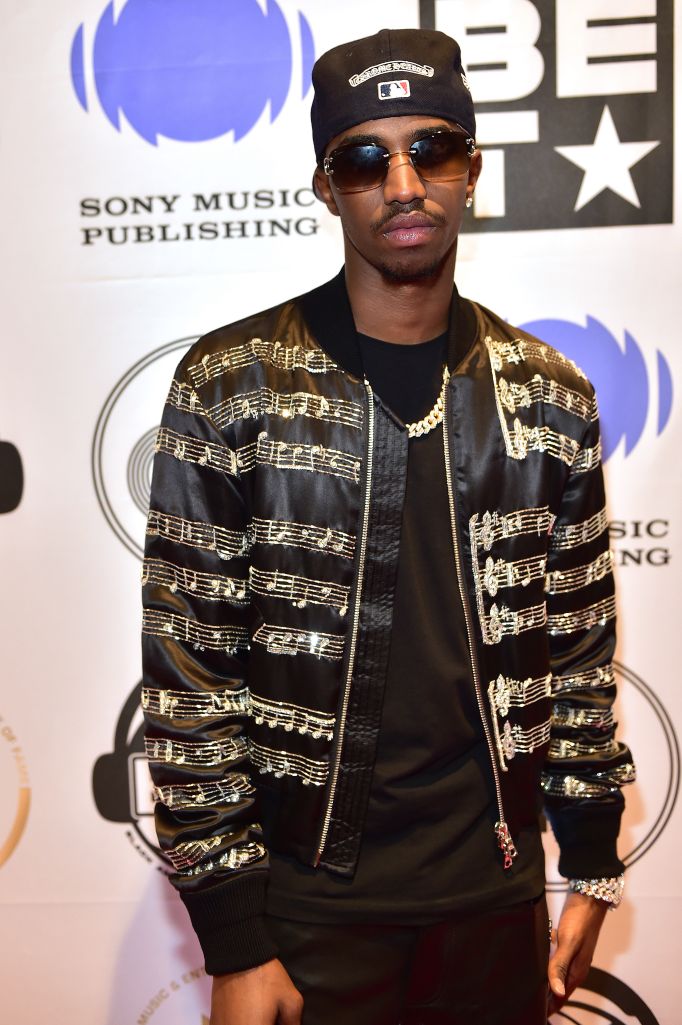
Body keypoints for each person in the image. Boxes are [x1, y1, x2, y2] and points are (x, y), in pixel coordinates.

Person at [141, 28, 635, 1025]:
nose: (402, 182)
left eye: (432, 150)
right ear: (327, 187)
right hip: (304, 913)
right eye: (365, 158)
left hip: (494, 904)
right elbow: (189, 678)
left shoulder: (546, 393)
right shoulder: (233, 385)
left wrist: (586, 855)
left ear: (471, 173)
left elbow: (578, 646)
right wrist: (235, 937)